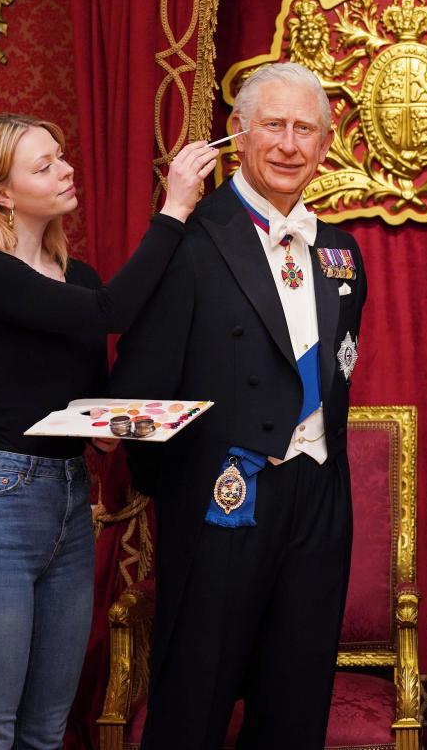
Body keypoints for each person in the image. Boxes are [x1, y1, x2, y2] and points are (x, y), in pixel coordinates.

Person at [0, 113, 215, 749]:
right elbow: (110, 313)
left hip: (68, 498)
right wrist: (173, 207)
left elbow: (87, 398)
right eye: (44, 166)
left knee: (45, 729)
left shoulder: (79, 274)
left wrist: (113, 426)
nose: (65, 170)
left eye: (61, 157)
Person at [110, 62, 367, 749]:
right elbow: (142, 378)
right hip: (221, 494)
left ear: (325, 143)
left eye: (304, 130)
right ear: (237, 133)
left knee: (296, 695)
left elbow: (338, 368)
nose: (288, 144)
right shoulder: (190, 239)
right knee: (195, 697)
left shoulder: (341, 252)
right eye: (274, 125)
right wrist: (188, 489)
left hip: (317, 495)